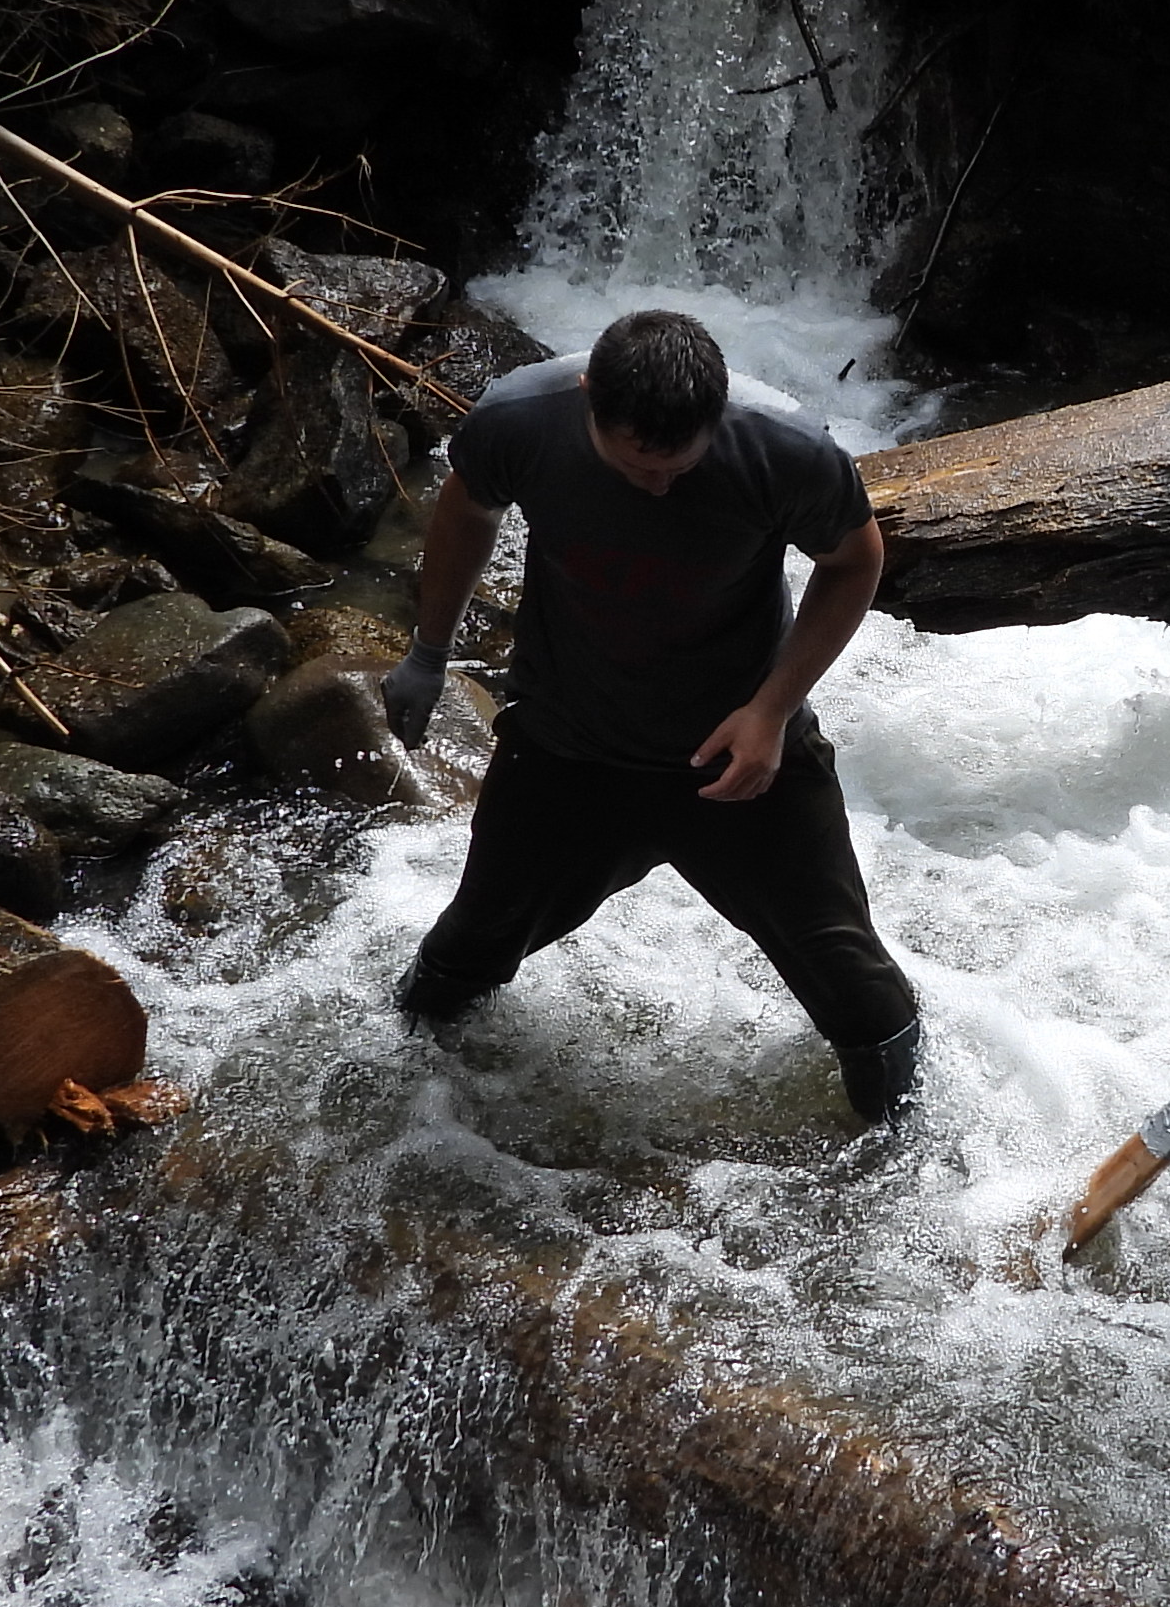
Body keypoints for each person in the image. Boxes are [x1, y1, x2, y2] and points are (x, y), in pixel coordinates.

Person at [380, 307, 924, 1120]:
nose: (660, 486)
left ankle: (901, 1169)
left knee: (858, 991)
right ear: (589, 397)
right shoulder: (519, 421)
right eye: (638, 469)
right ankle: (402, 1113)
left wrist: (772, 711)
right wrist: (428, 652)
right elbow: (467, 510)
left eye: (679, 468)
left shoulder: (786, 449)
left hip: (736, 756)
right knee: (466, 952)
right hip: (569, 745)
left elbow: (855, 559)